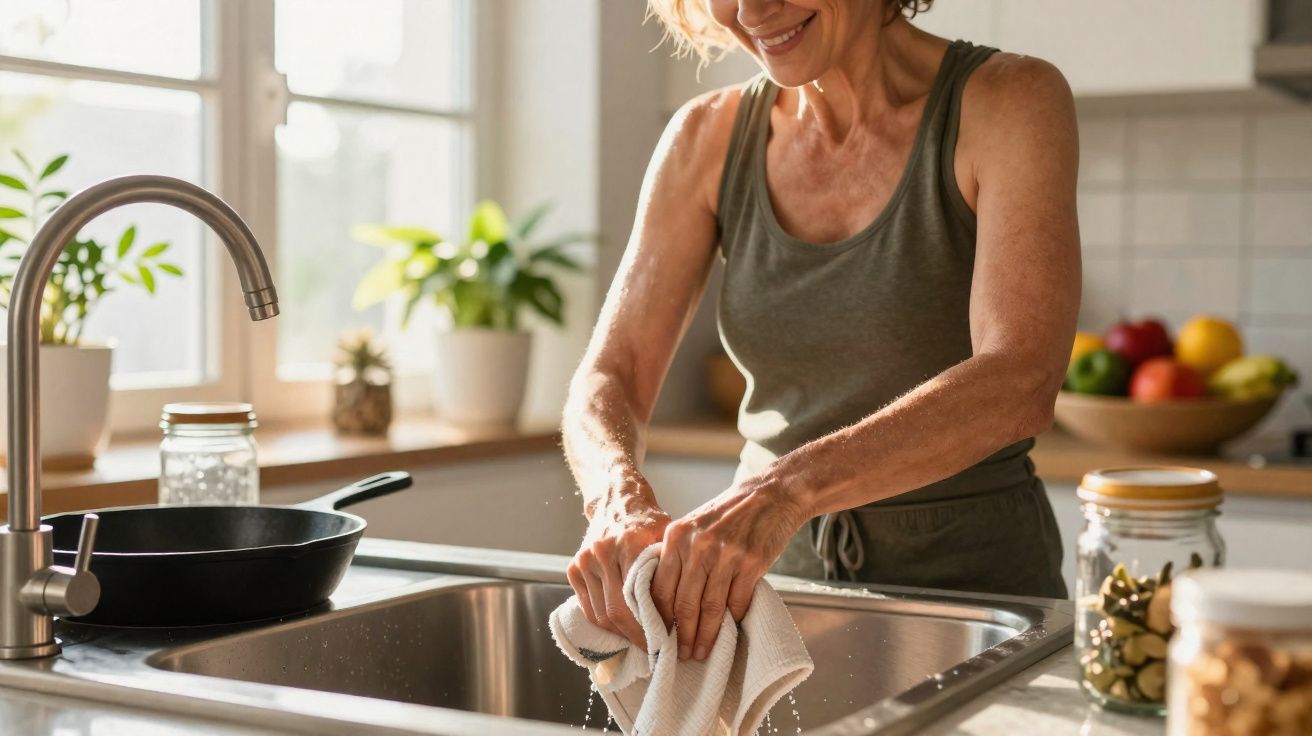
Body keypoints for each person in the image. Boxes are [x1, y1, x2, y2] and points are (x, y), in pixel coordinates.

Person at [561, 0, 1080, 666]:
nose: (750, 10)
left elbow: (1021, 377)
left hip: (977, 594)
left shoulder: (1009, 100)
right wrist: (615, 499)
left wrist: (785, 491)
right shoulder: (705, 137)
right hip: (770, 597)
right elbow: (614, 370)